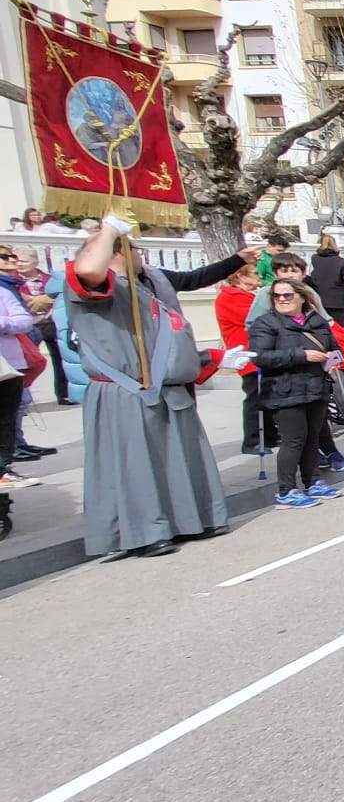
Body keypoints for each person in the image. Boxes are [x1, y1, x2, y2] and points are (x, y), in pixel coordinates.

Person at [66, 216, 248, 558]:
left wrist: (209, 358)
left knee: (178, 461)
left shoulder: (150, 283)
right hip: (125, 390)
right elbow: (89, 270)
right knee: (138, 466)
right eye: (135, 248)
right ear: (116, 253)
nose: (141, 253)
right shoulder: (95, 285)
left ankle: (190, 521)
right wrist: (107, 230)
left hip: (167, 386)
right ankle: (147, 532)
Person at [248, 280, 344, 510]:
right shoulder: (266, 323)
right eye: (277, 296)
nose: (282, 299)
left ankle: (312, 482)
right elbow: (259, 356)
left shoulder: (317, 320)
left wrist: (333, 359)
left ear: (302, 297)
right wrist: (301, 355)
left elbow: (334, 346)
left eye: (288, 295)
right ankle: (286, 490)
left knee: (313, 436)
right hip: (284, 389)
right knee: (294, 440)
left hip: (315, 386)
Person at [215, 264, 278, 455]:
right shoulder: (230, 298)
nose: (260, 276)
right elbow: (256, 318)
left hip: (258, 351)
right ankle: (252, 440)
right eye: (255, 274)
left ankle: (269, 434)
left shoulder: (247, 296)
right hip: (246, 353)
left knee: (265, 394)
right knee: (255, 397)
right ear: (239, 277)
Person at [14, 251, 69, 407]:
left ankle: (63, 394)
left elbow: (58, 295)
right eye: (17, 261)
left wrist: (40, 301)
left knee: (60, 358)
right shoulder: (13, 281)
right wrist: (38, 300)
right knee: (27, 361)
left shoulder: (48, 279)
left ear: (35, 262)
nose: (19, 264)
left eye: (23, 261)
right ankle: (23, 398)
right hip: (28, 324)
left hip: (50, 321)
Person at [0, 252, 36, 490]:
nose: (10, 259)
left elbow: (25, 321)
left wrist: (2, 323)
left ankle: (3, 469)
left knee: (5, 421)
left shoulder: (3, 293)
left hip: (7, 367)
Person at [307, 234, 344, 326]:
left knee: (322, 328)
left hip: (319, 300)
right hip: (339, 301)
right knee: (339, 329)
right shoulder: (341, 262)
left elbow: (309, 278)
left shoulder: (314, 260)